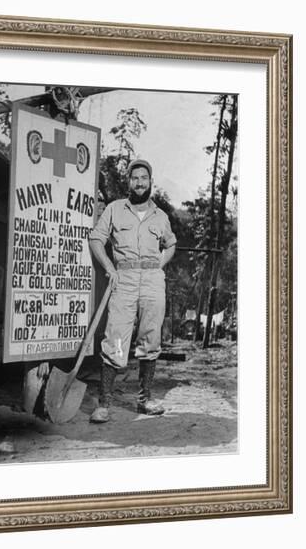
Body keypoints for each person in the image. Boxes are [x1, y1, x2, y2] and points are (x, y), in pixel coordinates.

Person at [88, 159, 176, 423]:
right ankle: (104, 404)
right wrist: (110, 268)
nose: (139, 182)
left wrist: (160, 264)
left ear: (151, 182)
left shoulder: (160, 216)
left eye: (144, 178)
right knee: (115, 337)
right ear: (129, 182)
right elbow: (96, 239)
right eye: (135, 178)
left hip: (152, 281)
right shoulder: (115, 209)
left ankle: (145, 399)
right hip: (124, 279)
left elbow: (170, 243)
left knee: (151, 339)